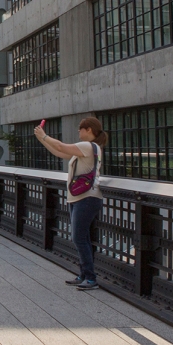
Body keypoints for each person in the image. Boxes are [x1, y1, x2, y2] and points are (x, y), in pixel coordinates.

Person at [34, 118, 108, 291]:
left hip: (86, 198)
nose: (78, 132)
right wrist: (42, 139)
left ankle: (90, 278)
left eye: (80, 129)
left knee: (78, 237)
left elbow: (61, 147)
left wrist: (44, 136)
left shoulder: (88, 146)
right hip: (81, 198)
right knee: (82, 237)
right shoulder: (87, 148)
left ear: (88, 130)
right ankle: (84, 275)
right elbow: (59, 152)